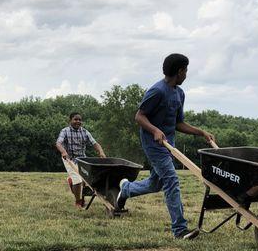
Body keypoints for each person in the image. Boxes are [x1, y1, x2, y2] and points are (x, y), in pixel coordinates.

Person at [116, 53, 215, 239]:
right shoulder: (157, 91)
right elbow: (139, 116)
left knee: (156, 183)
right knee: (171, 181)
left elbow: (178, 123)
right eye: (186, 70)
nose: (186, 74)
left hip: (169, 144)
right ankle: (180, 230)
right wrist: (154, 130)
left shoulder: (179, 93)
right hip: (153, 144)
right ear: (179, 71)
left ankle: (126, 190)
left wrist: (201, 132)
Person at [56, 112, 106, 209]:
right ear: (70, 120)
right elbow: (58, 143)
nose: (78, 121)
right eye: (75, 119)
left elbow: (94, 143)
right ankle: (78, 202)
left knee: (85, 181)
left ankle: (73, 184)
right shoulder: (65, 131)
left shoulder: (85, 132)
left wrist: (101, 152)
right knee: (78, 180)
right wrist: (63, 152)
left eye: (79, 120)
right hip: (69, 159)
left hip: (82, 159)